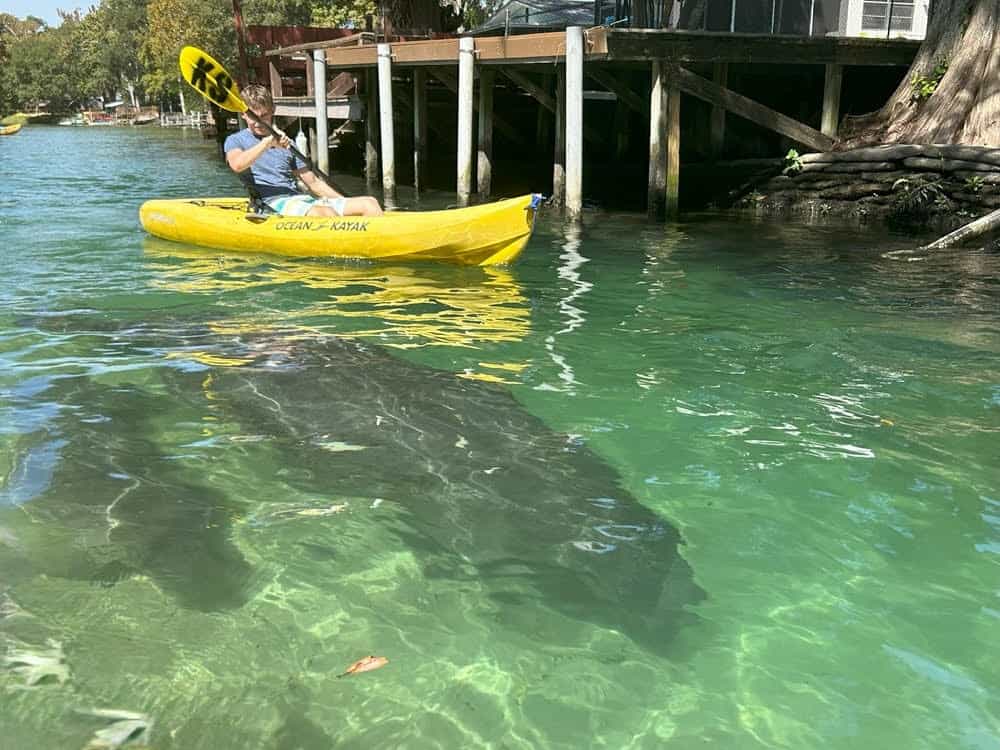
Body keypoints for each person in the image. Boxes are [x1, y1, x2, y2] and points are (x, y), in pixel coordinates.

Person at [224, 84, 382, 218]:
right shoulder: (235, 140)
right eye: (253, 117)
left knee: (369, 203)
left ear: (273, 110)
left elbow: (313, 183)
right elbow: (237, 165)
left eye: (263, 116)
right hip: (268, 203)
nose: (258, 123)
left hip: (297, 199)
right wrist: (267, 143)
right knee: (325, 213)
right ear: (244, 115)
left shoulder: (287, 143)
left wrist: (343, 201)